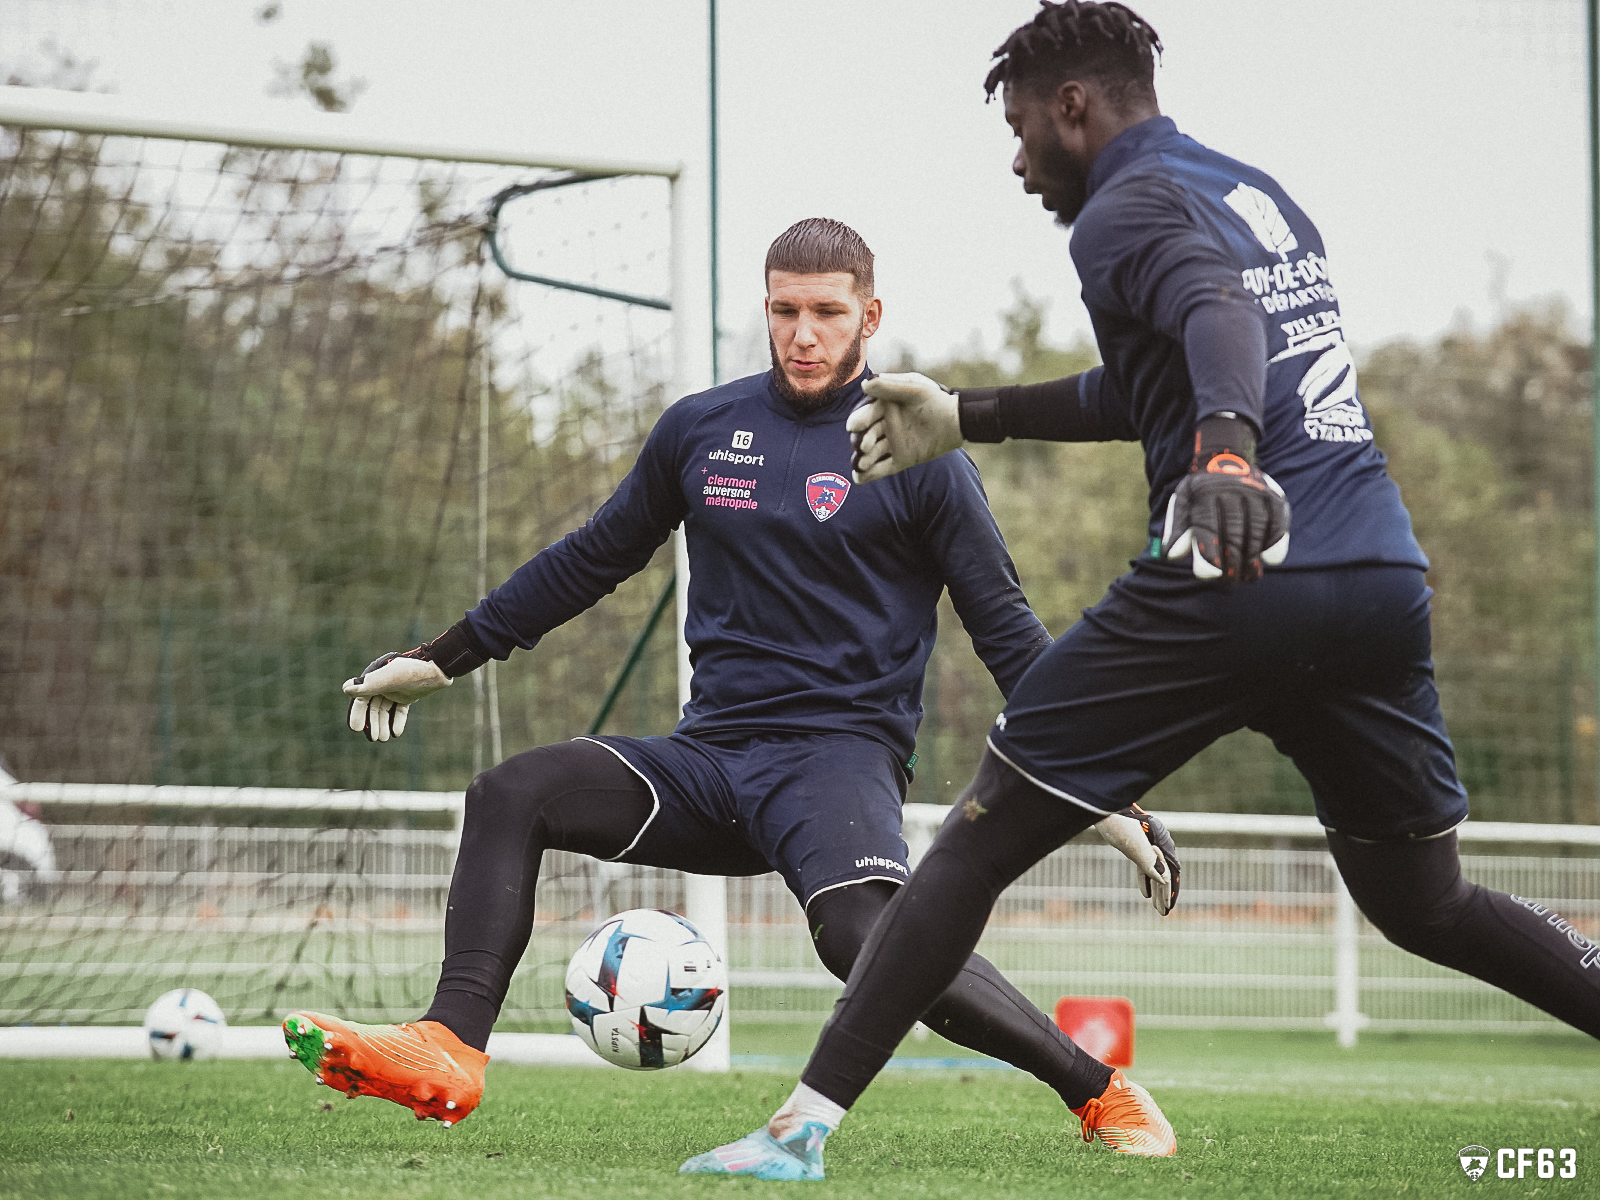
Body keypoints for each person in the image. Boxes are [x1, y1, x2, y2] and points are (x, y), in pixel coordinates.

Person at [684, 0, 1600, 1182]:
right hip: (1374, 575)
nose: (1018, 163)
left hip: (1232, 574)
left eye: (1021, 130)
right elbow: (1155, 377)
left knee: (973, 841)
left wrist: (1223, 457)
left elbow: (1214, 317)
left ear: (1074, 107)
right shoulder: (1250, 189)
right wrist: (970, 418)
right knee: (1421, 900)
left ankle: (797, 1130)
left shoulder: (1122, 205)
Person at [280, 217, 1182, 1162]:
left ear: (870, 316)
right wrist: (446, 656)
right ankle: (450, 1046)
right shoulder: (703, 430)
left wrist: (1105, 796)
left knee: (861, 940)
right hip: (708, 759)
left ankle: (1100, 1091)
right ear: (764, 308)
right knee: (510, 794)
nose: (804, 333)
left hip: (837, 764)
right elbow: (593, 558)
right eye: (785, 310)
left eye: (827, 313)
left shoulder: (924, 454)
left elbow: (1007, 631)